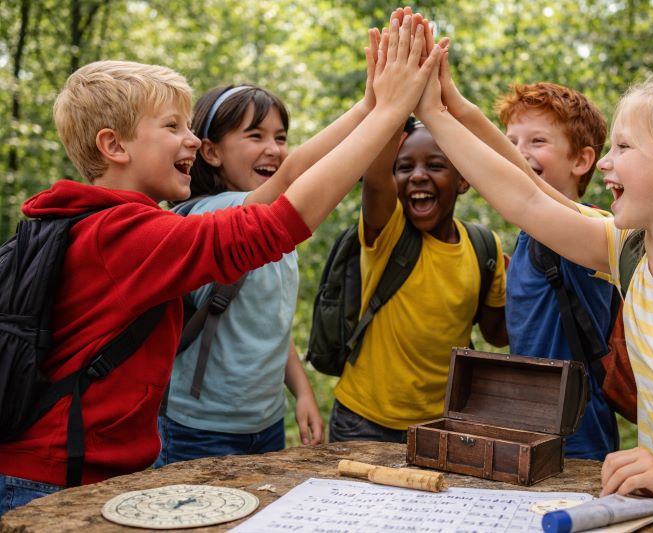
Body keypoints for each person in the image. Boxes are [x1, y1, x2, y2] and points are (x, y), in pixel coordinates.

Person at [0, 15, 442, 515]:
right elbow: (277, 224)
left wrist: (371, 107)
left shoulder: (113, 224)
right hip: (53, 482)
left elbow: (284, 182)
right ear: (114, 145)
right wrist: (389, 115)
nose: (191, 140)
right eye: (172, 127)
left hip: (76, 472)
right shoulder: (120, 235)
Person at [414, 57, 653, 531]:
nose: (604, 162)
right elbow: (524, 196)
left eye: (623, 146)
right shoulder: (627, 254)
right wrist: (438, 111)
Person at [328, 26, 508, 441]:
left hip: (441, 423)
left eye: (436, 166)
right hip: (363, 422)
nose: (417, 176)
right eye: (404, 167)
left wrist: (518, 281)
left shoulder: (484, 247)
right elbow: (375, 181)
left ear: (464, 180)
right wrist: (395, 98)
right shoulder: (387, 231)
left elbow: (498, 335)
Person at [155, 84, 324, 467]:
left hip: (266, 425)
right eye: (255, 135)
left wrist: (302, 393)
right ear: (211, 151)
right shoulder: (207, 216)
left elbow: (270, 324)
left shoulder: (277, 231)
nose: (275, 149)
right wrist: (374, 109)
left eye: (281, 138)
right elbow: (296, 172)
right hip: (196, 431)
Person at [496, 82, 619, 460]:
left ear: (581, 161)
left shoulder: (592, 229)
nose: (518, 153)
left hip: (578, 434)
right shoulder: (527, 237)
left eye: (537, 142)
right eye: (510, 141)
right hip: (527, 425)